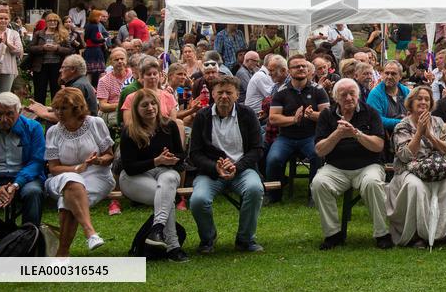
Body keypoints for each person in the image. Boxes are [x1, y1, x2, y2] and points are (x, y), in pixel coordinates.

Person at [188, 75, 265, 253]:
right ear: (212, 94)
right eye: (220, 92)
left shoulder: (247, 114)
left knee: (255, 189)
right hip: (211, 172)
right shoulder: (202, 116)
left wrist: (236, 167)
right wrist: (215, 167)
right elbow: (195, 153)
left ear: (237, 95)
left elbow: (258, 149)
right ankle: (207, 239)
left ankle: (245, 239)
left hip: (242, 169)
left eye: (229, 92)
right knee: (198, 200)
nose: (224, 96)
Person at [311, 78, 391, 250]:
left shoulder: (371, 112)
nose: (348, 98)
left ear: (358, 95)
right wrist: (338, 134)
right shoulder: (327, 115)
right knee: (318, 183)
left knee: (373, 183)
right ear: (335, 98)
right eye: (343, 94)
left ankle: (382, 233)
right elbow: (320, 150)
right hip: (336, 167)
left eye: (352, 94)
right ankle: (332, 234)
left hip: (368, 165)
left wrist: (356, 134)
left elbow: (378, 146)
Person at [386, 86, 446, 248]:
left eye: (427, 99)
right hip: (409, 169)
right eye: (419, 99)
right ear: (411, 103)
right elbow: (405, 156)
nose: (423, 102)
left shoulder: (438, 122)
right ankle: (416, 234)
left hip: (438, 167)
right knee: (415, 187)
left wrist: (430, 136)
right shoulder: (402, 126)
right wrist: (419, 133)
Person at [119, 88, 189, 262]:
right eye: (144, 105)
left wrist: (172, 159)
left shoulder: (169, 125)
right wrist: (157, 161)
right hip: (133, 178)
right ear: (136, 109)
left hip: (163, 174)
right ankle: (173, 247)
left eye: (153, 104)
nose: (150, 108)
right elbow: (129, 167)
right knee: (167, 197)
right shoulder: (129, 131)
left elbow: (181, 156)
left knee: (171, 178)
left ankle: (157, 230)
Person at [43, 87, 115, 255]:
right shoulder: (53, 131)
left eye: (64, 108)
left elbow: (109, 156)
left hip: (96, 175)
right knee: (71, 180)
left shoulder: (95, 123)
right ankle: (90, 232)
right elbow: (53, 168)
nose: (59, 113)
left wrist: (98, 160)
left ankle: (62, 253)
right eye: (56, 108)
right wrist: (77, 168)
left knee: (67, 200)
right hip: (61, 177)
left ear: (76, 108)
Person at [265, 54, 329, 204]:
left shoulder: (318, 90)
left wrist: (312, 115)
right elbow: (273, 118)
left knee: (317, 154)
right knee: (273, 159)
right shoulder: (281, 91)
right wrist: (293, 119)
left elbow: (327, 117)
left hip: (310, 136)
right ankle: (274, 196)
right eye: (296, 66)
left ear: (308, 70)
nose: (301, 68)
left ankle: (314, 195)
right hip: (286, 138)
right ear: (289, 71)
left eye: (303, 66)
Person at [0, 92, 46, 240]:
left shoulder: (33, 128)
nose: (4, 119)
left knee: (33, 192)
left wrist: (17, 184)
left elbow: (37, 162)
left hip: (25, 178)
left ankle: (29, 238)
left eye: (9, 114)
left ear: (19, 112)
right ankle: (10, 236)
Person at [0, 9, 24, 101]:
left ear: (9, 20)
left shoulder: (14, 33)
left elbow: (19, 51)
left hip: (8, 67)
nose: (3, 20)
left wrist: (7, 43)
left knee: (3, 98)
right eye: (1, 18)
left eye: (6, 18)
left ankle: (0, 114)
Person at [366, 60, 409, 132]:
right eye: (386, 73)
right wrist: (402, 122)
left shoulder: (405, 91)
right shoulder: (375, 94)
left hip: (406, 131)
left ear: (400, 76)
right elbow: (376, 119)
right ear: (382, 74)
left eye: (393, 74)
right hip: (384, 134)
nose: (389, 77)